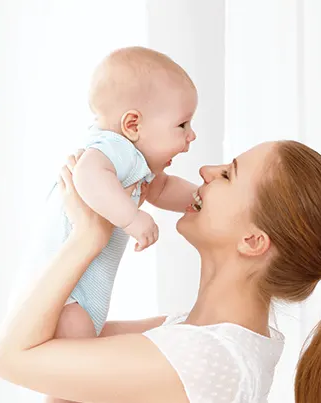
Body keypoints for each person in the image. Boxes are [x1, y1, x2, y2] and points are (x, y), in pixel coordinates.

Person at [0, 140, 321, 403]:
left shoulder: (203, 358)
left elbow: (11, 357)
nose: (206, 172)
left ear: (253, 241)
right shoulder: (197, 336)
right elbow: (49, 341)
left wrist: (87, 238)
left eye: (229, 174)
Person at [25, 46, 198, 341]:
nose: (191, 135)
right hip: (67, 295)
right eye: (182, 124)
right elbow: (87, 175)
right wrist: (131, 218)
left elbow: (163, 188)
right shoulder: (114, 148)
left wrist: (198, 199)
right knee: (77, 362)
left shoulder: (135, 163)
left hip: (76, 291)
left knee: (72, 373)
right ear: (133, 125)